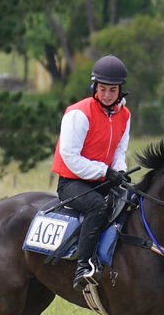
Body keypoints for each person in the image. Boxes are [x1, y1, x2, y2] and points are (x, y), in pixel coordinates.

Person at [51, 54, 133, 289]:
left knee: (133, 199)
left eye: (113, 90)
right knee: (99, 205)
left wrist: (120, 171)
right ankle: (83, 265)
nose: (107, 95)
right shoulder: (78, 113)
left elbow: (119, 151)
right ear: (95, 87)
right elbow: (70, 157)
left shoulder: (125, 115)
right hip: (72, 182)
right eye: (103, 89)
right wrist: (105, 171)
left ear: (120, 91)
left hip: (101, 179)